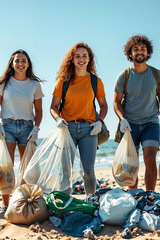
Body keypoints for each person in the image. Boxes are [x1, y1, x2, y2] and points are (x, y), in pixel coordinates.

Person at [113, 35, 160, 191]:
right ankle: (134, 194)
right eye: (136, 49)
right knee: (131, 163)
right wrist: (122, 120)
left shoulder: (157, 74)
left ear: (148, 52)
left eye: (143, 49)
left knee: (150, 159)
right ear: (130, 54)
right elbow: (116, 102)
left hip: (151, 123)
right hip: (129, 125)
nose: (139, 51)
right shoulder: (124, 76)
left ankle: (150, 195)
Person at [50, 42, 108, 200]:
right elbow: (53, 106)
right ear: (72, 59)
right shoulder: (63, 81)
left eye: (84, 56)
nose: (81, 59)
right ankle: (64, 203)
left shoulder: (95, 81)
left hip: (89, 130)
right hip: (67, 129)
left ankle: (91, 200)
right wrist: (58, 118)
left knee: (88, 170)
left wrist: (100, 122)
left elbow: (103, 106)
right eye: (78, 56)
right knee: (65, 170)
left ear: (89, 59)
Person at [0, 49, 44, 213]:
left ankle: (23, 199)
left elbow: (39, 110)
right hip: (8, 127)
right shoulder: (4, 83)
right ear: (12, 64)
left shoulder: (34, 85)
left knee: (27, 167)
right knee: (6, 167)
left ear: (28, 64)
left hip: (27, 128)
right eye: (17, 61)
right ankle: (5, 204)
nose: (20, 63)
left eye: (23, 60)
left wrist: (36, 128)